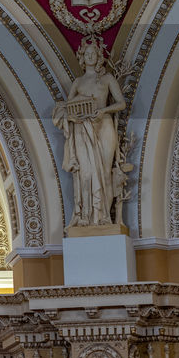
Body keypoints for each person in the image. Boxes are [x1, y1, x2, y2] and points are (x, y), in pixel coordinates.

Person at [52, 36, 128, 227]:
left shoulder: (107, 79)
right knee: (86, 173)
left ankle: (104, 218)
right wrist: (73, 117)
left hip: (104, 127)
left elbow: (121, 103)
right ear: (82, 57)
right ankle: (87, 214)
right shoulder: (78, 82)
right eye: (87, 54)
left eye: (94, 53)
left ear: (99, 57)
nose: (91, 56)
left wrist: (103, 110)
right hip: (84, 130)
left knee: (103, 171)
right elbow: (68, 107)